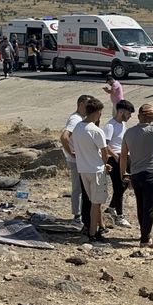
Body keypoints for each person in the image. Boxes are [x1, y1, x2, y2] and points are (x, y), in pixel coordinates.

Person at [120, 104, 153, 248]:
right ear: (152, 117)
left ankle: (144, 233)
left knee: (141, 205)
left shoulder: (129, 133)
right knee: (149, 207)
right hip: (151, 173)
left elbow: (124, 156)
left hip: (136, 174)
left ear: (138, 116)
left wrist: (123, 172)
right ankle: (145, 239)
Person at [72, 98, 110, 242]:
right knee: (96, 203)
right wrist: (105, 164)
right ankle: (93, 233)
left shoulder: (77, 128)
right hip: (96, 170)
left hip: (83, 169)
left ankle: (100, 226)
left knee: (94, 201)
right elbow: (105, 153)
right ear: (97, 112)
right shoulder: (96, 131)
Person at [102, 99, 134, 229]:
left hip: (124, 157)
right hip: (114, 159)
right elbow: (105, 144)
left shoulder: (122, 125)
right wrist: (115, 156)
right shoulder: (110, 125)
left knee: (125, 184)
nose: (130, 116)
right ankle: (120, 216)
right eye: (128, 113)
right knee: (118, 186)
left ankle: (111, 208)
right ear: (121, 112)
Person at [60, 95, 91, 224]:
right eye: (88, 105)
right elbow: (64, 137)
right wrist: (71, 152)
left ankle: (82, 214)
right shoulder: (75, 119)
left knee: (83, 187)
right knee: (78, 188)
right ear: (81, 104)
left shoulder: (82, 118)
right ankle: (77, 216)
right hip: (76, 160)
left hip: (81, 159)